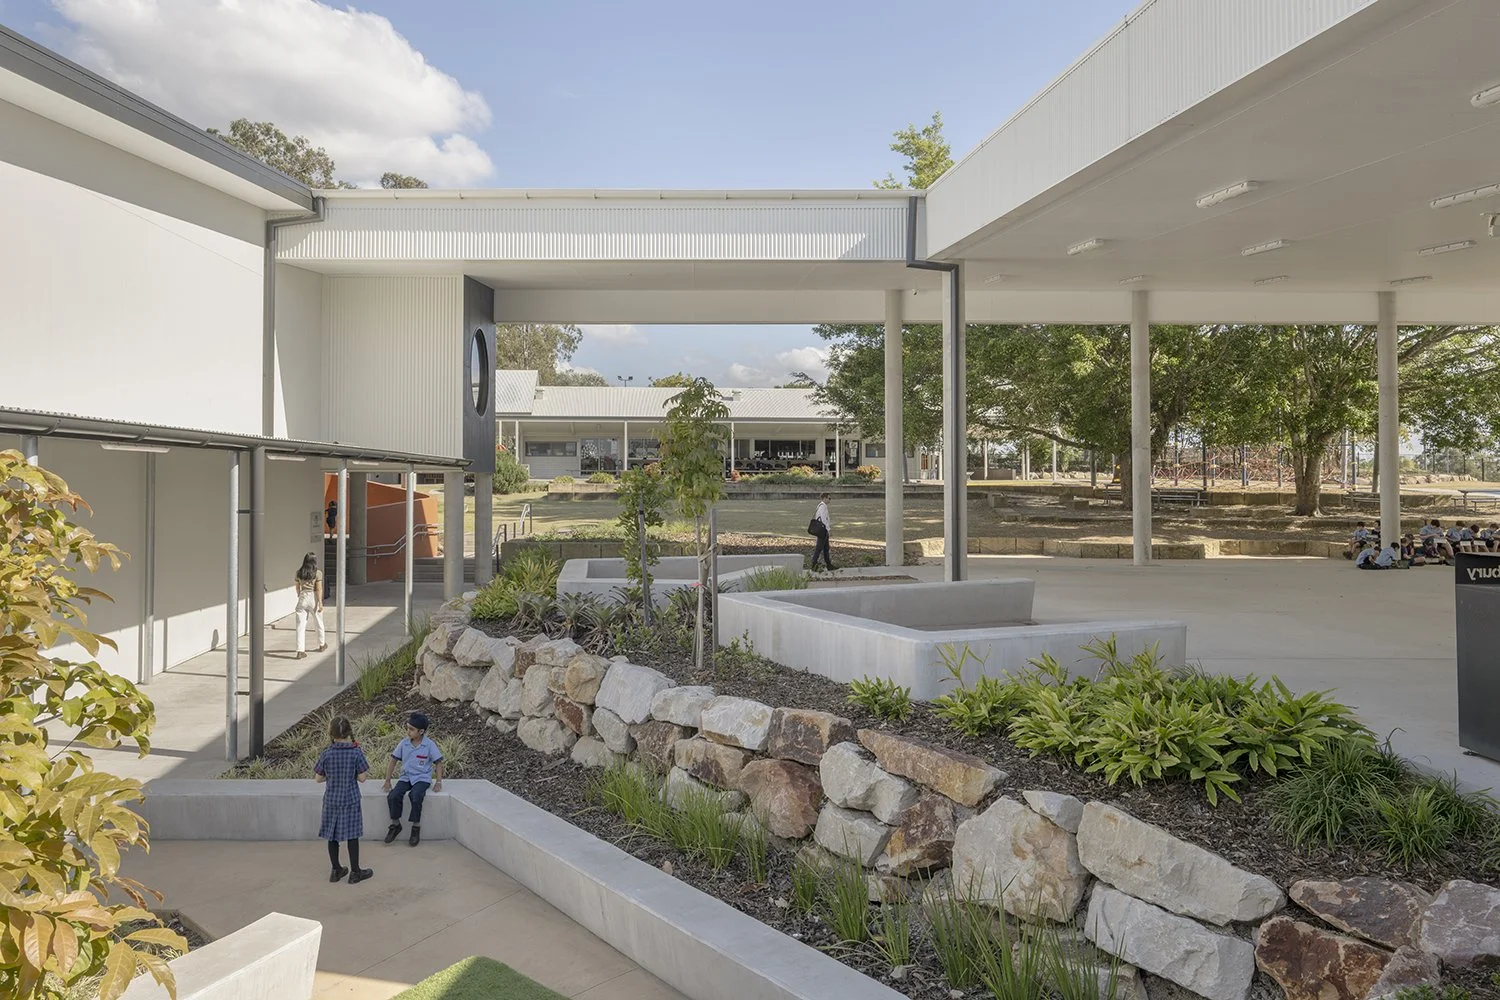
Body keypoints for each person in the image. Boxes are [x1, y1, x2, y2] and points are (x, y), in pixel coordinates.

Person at [315, 715, 372, 884]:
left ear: (331, 733)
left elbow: (318, 778)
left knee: (332, 835)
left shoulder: (326, 754)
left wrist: (332, 776)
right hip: (350, 799)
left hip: (331, 800)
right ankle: (355, 872)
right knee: (352, 835)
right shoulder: (356, 753)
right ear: (349, 733)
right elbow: (362, 778)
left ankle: (336, 869)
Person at [384, 712, 444, 847]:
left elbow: (438, 762)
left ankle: (415, 827)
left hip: (422, 778)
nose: (408, 732)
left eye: (411, 729)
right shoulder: (404, 744)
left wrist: (439, 782)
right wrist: (387, 780)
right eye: (407, 728)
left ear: (421, 731)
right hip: (406, 777)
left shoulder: (429, 745)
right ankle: (395, 825)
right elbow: (393, 760)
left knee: (416, 796)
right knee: (393, 796)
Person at [294, 552, 326, 659]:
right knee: (318, 622)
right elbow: (318, 589)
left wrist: (299, 594)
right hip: (313, 597)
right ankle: (322, 644)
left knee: (300, 625)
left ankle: (300, 651)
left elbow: (297, 587)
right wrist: (320, 603)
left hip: (303, 597)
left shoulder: (299, 573)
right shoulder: (318, 573)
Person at [809, 492, 834, 572]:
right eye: (829, 498)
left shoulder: (821, 506)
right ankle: (814, 565)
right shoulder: (823, 507)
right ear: (825, 498)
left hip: (822, 530)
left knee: (826, 548)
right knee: (819, 548)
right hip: (823, 530)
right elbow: (824, 519)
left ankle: (828, 564)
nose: (830, 500)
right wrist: (828, 529)